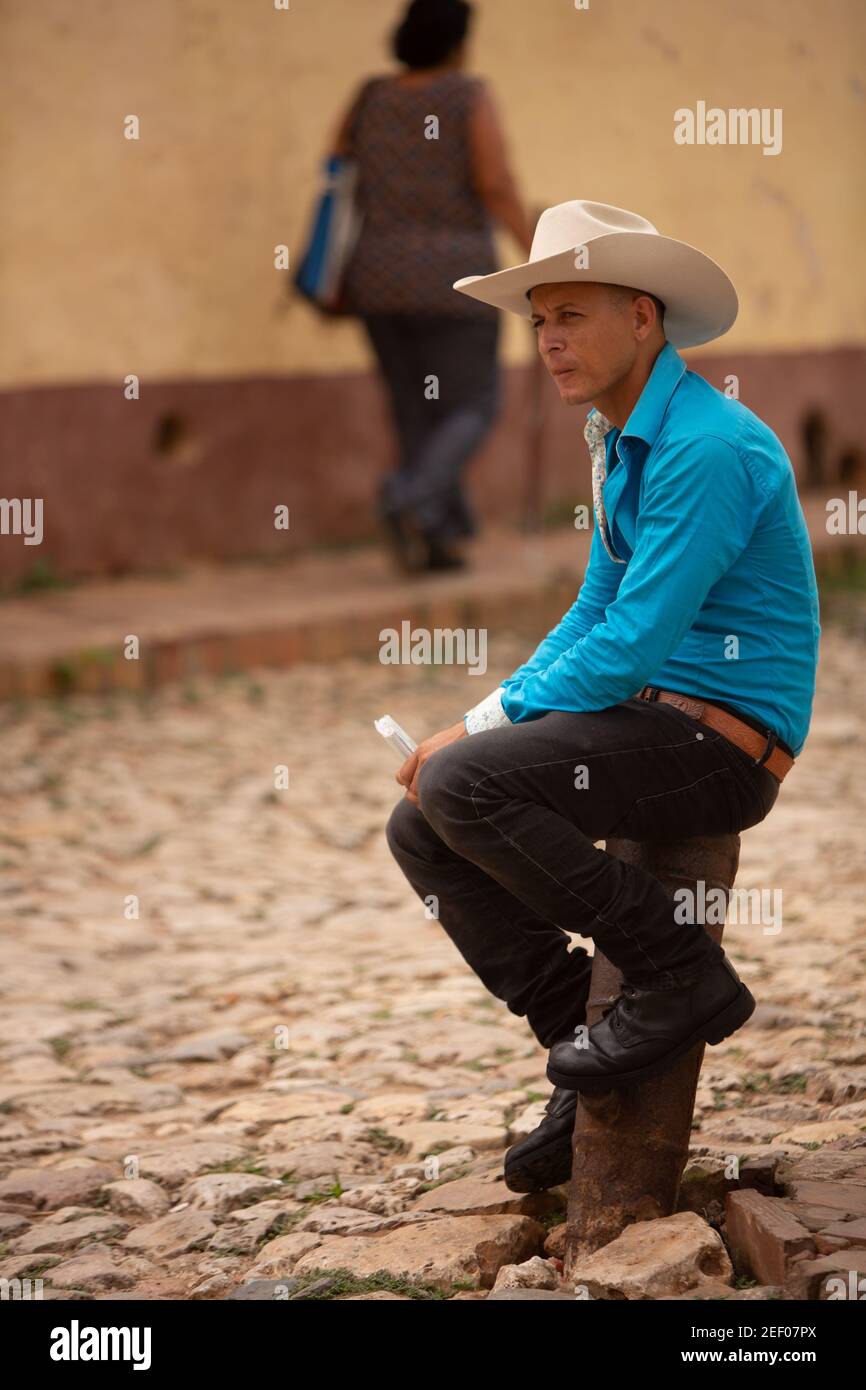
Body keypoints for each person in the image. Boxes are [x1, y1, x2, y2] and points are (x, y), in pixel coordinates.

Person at [384, 200, 820, 1192]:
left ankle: (674, 973)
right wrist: (493, 706)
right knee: (420, 823)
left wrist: (479, 726)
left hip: (721, 744)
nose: (546, 341)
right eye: (536, 320)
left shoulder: (705, 446)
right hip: (650, 719)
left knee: (461, 785)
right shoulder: (618, 436)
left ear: (641, 317)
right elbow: (593, 609)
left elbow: (628, 644)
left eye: (570, 315)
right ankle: (578, 1060)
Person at [329, 0, 533, 572]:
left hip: (375, 278)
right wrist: (538, 259)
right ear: (457, 44)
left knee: (414, 408)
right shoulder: (468, 97)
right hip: (456, 280)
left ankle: (436, 539)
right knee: (473, 402)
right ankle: (409, 499)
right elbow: (495, 183)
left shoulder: (368, 97)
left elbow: (334, 170)